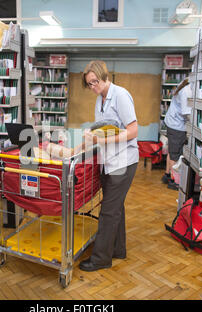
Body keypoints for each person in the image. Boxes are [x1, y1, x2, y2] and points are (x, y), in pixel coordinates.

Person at [74, 60, 138, 272]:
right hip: (109, 162)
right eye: (89, 84)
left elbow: (132, 131)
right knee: (115, 208)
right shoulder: (99, 100)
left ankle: (101, 259)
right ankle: (118, 249)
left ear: (104, 76)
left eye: (95, 82)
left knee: (108, 212)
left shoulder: (120, 95)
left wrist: (103, 141)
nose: (93, 87)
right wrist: (78, 149)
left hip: (124, 161)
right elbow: (99, 132)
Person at [161, 78, 192, 190]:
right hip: (177, 125)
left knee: (172, 150)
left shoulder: (184, 83)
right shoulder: (187, 91)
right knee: (175, 154)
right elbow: (186, 112)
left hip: (172, 123)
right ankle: (174, 181)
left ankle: (167, 174)